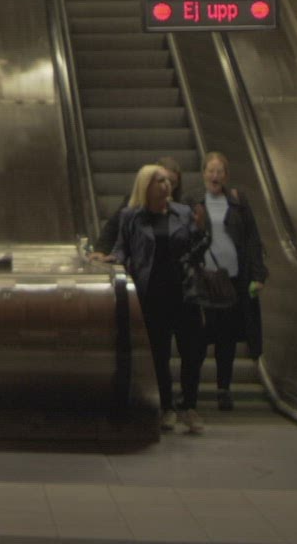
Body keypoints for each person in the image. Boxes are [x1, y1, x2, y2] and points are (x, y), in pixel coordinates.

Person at [108, 163, 211, 435]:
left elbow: (198, 250)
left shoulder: (183, 212)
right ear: (147, 186)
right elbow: (122, 248)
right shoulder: (131, 216)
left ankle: (189, 405)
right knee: (159, 354)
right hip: (152, 293)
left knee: (192, 352)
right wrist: (111, 259)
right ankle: (167, 407)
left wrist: (202, 231)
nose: (167, 185)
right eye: (160, 181)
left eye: (168, 181)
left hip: (184, 292)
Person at [193, 151, 268, 409]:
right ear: (203, 173)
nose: (215, 176)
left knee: (226, 338)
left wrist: (258, 275)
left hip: (232, 280)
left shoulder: (238, 201)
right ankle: (191, 389)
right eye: (211, 171)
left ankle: (223, 389)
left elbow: (252, 239)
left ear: (226, 176)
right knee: (200, 336)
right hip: (203, 281)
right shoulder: (193, 201)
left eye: (220, 172)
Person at [92, 160, 178, 259]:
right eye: (162, 180)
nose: (168, 185)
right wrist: (101, 251)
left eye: (172, 182)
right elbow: (113, 229)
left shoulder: (181, 209)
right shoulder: (131, 209)